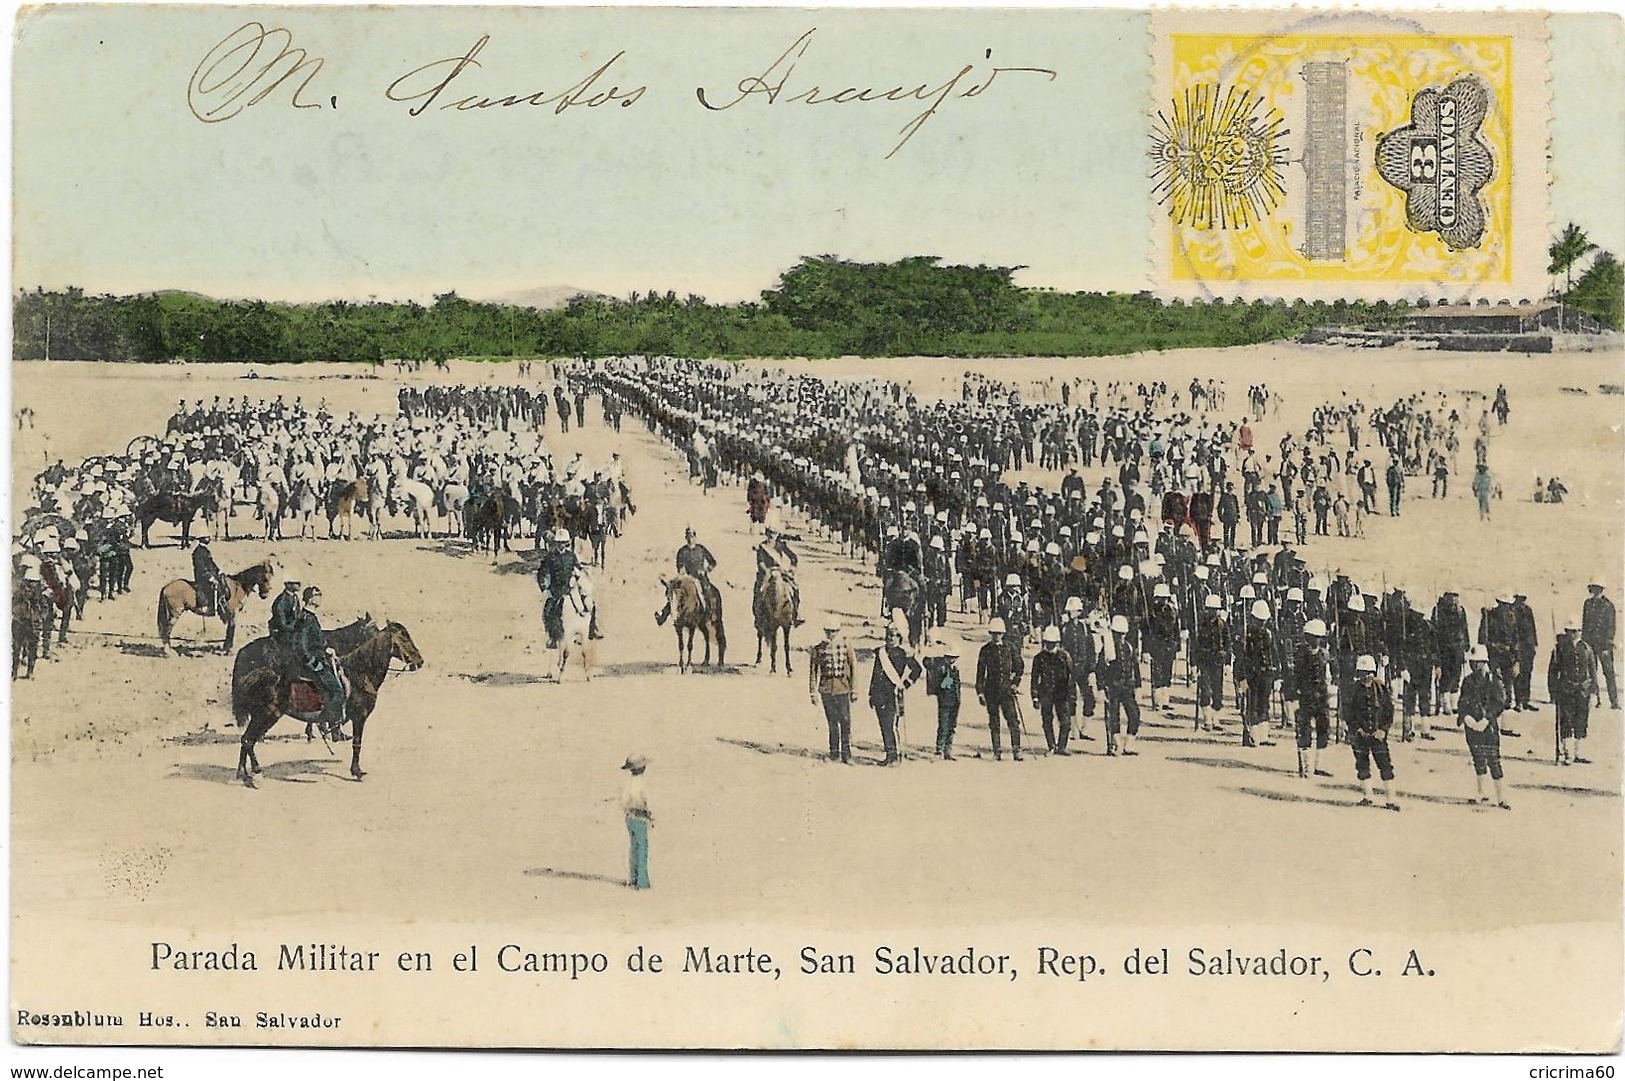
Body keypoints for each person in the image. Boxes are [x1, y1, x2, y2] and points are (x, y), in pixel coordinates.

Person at [1458, 646, 1511, 808]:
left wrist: (1487, 719)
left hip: (1489, 728)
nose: (1475, 666)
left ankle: (1500, 796)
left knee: (1493, 760)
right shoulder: (1467, 681)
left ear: (1485, 662)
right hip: (1472, 726)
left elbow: (1500, 703)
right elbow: (1462, 702)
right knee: (1478, 759)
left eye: (1478, 663)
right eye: (1473, 663)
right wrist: (1466, 718)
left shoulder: (1494, 681)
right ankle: (1481, 793)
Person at [1345, 654, 1400, 810]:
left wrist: (1383, 730)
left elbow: (1388, 711)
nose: (1365, 677)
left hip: (1378, 736)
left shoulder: (1380, 688)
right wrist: (1357, 729)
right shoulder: (1354, 689)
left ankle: (1391, 799)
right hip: (1360, 735)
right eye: (1362, 673)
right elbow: (1348, 713)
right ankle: (1367, 796)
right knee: (1362, 765)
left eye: (1368, 673)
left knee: (1385, 765)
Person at [293, 585, 346, 741]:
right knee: (338, 691)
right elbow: (301, 647)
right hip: (313, 664)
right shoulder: (306, 618)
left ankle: (334, 728)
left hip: (320, 658)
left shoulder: (311, 617)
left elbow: (314, 641)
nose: (320, 597)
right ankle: (328, 725)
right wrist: (314, 663)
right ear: (310, 598)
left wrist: (327, 649)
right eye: (318, 594)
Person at [869, 616, 922, 766]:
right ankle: (889, 753)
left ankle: (894, 754)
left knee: (891, 724)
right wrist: (871, 694)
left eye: (894, 636)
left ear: (899, 638)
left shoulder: (903, 654)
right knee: (883, 725)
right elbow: (875, 674)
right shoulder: (881, 653)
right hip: (879, 694)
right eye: (888, 636)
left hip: (892, 694)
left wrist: (905, 684)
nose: (890, 639)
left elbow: (917, 670)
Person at [808, 616, 857, 763]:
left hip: (843, 688)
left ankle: (846, 754)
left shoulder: (846, 645)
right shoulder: (818, 648)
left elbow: (853, 666)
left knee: (846, 721)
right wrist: (813, 692)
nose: (831, 635)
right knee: (832, 723)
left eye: (834, 632)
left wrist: (854, 689)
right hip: (826, 689)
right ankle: (834, 752)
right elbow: (813, 671)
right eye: (828, 631)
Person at [975, 618, 1025, 761]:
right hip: (990, 690)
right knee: (994, 721)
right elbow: (980, 673)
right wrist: (980, 692)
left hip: (1007, 690)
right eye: (994, 633)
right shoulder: (985, 650)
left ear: (1003, 633)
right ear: (990, 634)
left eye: (999, 633)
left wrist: (1015, 684)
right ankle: (997, 751)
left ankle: (1016, 750)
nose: (996, 636)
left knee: (1013, 721)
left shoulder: (1010, 648)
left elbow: (1019, 668)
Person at [1548, 623, 1597, 766]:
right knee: (1566, 721)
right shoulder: (1560, 648)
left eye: (1578, 631)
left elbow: (1593, 671)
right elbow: (1552, 672)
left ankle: (1578, 753)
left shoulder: (1587, 648)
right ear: (1567, 632)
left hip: (1583, 690)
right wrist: (1553, 692)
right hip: (1566, 690)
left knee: (1581, 720)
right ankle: (1566, 752)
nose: (1575, 634)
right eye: (1572, 631)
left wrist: (1593, 691)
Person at [655, 526, 719, 625]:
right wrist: (682, 573)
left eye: (692, 536)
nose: (690, 539)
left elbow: (713, 562)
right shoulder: (682, 551)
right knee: (675, 592)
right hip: (688, 577)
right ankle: (663, 615)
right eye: (688, 537)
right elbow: (679, 566)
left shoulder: (701, 549)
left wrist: (705, 570)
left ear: (695, 537)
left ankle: (712, 614)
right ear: (686, 538)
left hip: (700, 577)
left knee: (707, 591)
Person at [1099, 613, 1142, 756]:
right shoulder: (1107, 648)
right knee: (1113, 716)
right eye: (1118, 634)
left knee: (1134, 714)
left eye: (1123, 634)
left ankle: (1129, 743)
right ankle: (1115, 743)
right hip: (1112, 686)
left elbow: (1135, 666)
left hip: (1127, 686)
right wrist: (1101, 687)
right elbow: (1100, 668)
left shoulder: (1128, 647)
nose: (1121, 637)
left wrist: (1138, 685)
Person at [1295, 619, 1333, 778]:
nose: (1315, 640)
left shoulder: (1324, 654)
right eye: (1312, 636)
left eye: (1318, 637)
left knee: (1323, 728)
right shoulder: (1300, 653)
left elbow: (1328, 674)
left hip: (1321, 696)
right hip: (1305, 696)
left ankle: (1318, 764)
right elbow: (1295, 675)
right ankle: (1306, 765)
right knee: (1304, 730)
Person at [1030, 625, 1076, 755]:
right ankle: (1051, 745)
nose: (1050, 646)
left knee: (1065, 721)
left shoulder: (1064, 656)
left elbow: (1071, 677)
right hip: (1046, 693)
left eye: (1052, 643)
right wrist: (1035, 696)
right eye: (1048, 643)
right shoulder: (1039, 658)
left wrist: (1072, 695)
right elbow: (1034, 679)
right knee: (1047, 720)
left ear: (1057, 642)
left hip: (1062, 693)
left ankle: (1062, 746)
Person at [536, 527, 580, 650]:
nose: (561, 546)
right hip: (555, 590)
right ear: (555, 543)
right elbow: (541, 573)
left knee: (588, 604)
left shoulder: (571, 556)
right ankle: (552, 637)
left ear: (567, 543)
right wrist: (544, 588)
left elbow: (579, 569)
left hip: (570, 589)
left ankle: (591, 630)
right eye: (559, 543)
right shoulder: (550, 557)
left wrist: (578, 578)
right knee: (548, 612)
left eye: (563, 543)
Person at [922, 634, 964, 760]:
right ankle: (939, 749)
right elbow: (927, 661)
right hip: (945, 701)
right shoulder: (940, 667)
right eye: (950, 657)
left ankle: (947, 750)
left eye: (954, 658)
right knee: (944, 726)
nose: (952, 660)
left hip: (955, 701)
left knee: (952, 726)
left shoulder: (954, 670)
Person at [754, 523, 802, 627]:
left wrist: (792, 569)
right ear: (767, 533)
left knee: (794, 588)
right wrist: (767, 570)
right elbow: (760, 562)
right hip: (767, 572)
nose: (772, 536)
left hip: (780, 571)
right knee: (760, 591)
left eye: (775, 533)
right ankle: (759, 616)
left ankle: (795, 614)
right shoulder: (762, 546)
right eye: (770, 533)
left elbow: (793, 557)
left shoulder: (781, 545)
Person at [1582, 582, 1618, 710]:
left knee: (1609, 672)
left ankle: (1614, 701)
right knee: (1591, 672)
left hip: (1603, 646)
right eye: (1592, 588)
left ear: (1601, 589)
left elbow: (1611, 627)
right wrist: (1584, 643)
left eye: (1596, 588)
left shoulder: (1608, 606)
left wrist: (1607, 646)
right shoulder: (1588, 604)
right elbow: (1585, 624)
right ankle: (1595, 699)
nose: (1594, 591)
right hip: (1589, 643)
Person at [620, 753, 653, 890]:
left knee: (633, 848)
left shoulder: (629, 784)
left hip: (629, 817)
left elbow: (623, 801)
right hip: (640, 817)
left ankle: (633, 878)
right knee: (642, 848)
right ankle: (642, 881)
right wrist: (651, 815)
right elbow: (646, 801)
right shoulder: (642, 784)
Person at [191, 533, 225, 617]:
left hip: (210, 574)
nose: (209, 538)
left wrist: (218, 571)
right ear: (201, 538)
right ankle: (210, 608)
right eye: (207, 537)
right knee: (212, 587)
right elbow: (201, 568)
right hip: (202, 577)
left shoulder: (205, 550)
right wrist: (210, 577)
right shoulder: (198, 552)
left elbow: (211, 563)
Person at [268, 579, 302, 644]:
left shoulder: (295, 597)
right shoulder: (281, 600)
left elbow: (297, 613)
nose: (299, 585)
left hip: (292, 628)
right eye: (296, 583)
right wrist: (294, 628)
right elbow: (281, 621)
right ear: (288, 584)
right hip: (281, 631)